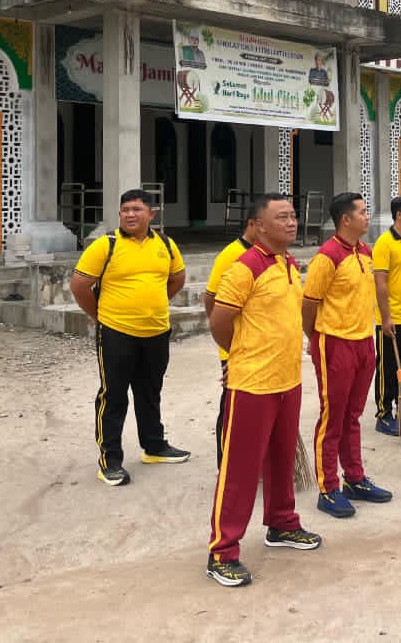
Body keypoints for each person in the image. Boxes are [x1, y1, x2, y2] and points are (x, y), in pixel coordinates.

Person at [207, 194, 323, 587]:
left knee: (281, 460)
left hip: (287, 380)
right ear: (258, 226)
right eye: (281, 217)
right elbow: (220, 320)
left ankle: (282, 523)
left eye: (293, 216)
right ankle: (223, 551)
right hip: (253, 385)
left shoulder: (287, 264)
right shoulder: (245, 268)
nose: (291, 222)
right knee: (240, 471)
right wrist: (235, 357)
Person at [70, 188, 189, 487]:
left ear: (152, 214)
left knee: (150, 392)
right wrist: (101, 316)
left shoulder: (165, 244)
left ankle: (154, 447)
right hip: (116, 333)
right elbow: (80, 286)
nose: (130, 214)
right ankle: (110, 461)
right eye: (125, 210)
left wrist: (153, 302)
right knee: (113, 396)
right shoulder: (106, 245)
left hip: (156, 332)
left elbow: (177, 278)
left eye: (137, 209)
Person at [302, 193, 393, 519]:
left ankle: (355, 478)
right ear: (346, 219)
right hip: (335, 343)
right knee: (333, 416)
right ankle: (328, 488)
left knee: (353, 415)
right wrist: (314, 337)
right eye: (363, 212)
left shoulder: (365, 252)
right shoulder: (327, 256)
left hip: (364, 342)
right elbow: (309, 304)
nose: (368, 216)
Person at [204, 204, 260, 468]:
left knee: (259, 409)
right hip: (237, 347)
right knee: (233, 408)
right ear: (253, 224)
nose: (287, 224)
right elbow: (211, 299)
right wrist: (231, 348)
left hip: (265, 348)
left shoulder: (275, 255)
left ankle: (255, 461)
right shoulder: (232, 255)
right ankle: (227, 465)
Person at [372, 194, 401, 435]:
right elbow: (380, 284)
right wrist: (386, 317)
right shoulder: (384, 243)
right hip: (392, 318)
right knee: (388, 368)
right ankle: (383, 414)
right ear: (399, 214)